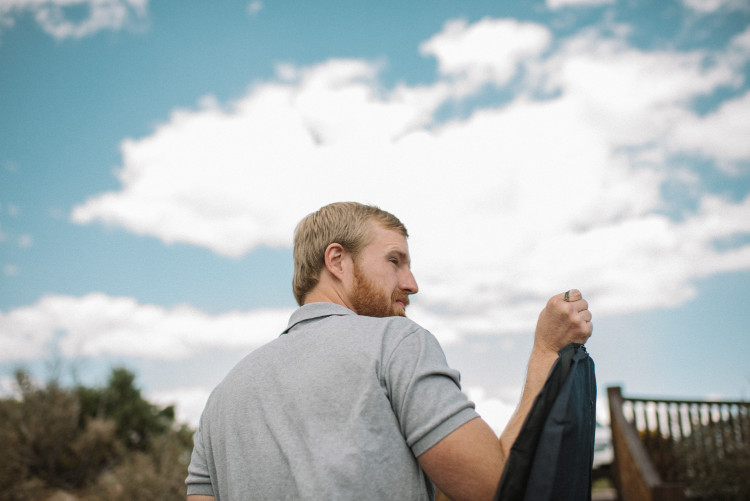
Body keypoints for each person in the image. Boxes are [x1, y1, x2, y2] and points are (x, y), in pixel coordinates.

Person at [185, 202, 592, 501]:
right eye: (395, 261)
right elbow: (498, 487)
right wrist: (546, 351)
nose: (411, 282)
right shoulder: (396, 342)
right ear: (338, 260)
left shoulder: (222, 398)